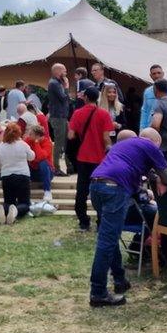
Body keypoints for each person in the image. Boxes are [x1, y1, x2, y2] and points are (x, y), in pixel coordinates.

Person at [88, 129, 167, 306]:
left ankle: (120, 280)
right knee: (106, 241)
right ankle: (98, 293)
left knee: (109, 236)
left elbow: (131, 173)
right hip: (114, 188)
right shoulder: (151, 145)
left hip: (96, 184)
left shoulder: (124, 145)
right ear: (156, 142)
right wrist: (158, 177)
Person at [69, 87, 114, 231]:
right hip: (99, 158)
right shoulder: (104, 114)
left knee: (81, 189)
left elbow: (70, 135)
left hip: (82, 156)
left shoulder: (77, 113)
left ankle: (83, 221)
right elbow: (106, 138)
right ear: (98, 98)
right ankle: (101, 221)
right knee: (100, 189)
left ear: (86, 98)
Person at [0, 124, 35, 225]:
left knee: (8, 201)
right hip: (22, 175)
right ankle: (16, 211)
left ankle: (4, 210)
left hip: (6, 176)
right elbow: (32, 157)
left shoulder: (0, 147)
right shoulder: (23, 144)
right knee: (24, 203)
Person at [139, 64, 167, 131]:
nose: (157, 75)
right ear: (150, 76)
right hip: (149, 129)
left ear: (163, 74)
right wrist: (142, 128)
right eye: (154, 73)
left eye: (159, 73)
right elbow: (145, 111)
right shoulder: (147, 92)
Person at [47, 63, 71, 176]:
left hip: (61, 116)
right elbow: (64, 98)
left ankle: (68, 166)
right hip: (58, 117)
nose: (66, 73)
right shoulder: (54, 83)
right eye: (64, 71)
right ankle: (56, 168)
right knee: (59, 143)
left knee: (66, 141)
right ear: (57, 71)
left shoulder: (56, 83)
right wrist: (66, 87)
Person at [25, 124, 54, 202]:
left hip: (46, 172)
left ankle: (47, 191)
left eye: (31, 134)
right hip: (32, 172)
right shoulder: (28, 140)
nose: (29, 136)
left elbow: (41, 157)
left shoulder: (47, 143)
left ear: (37, 136)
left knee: (43, 162)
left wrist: (36, 143)